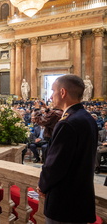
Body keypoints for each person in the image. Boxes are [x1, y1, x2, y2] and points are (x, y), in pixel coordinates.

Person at [37, 74, 98, 223]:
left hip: (64, 202)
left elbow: (55, 164)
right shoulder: (87, 118)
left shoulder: (67, 123)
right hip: (81, 198)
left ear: (63, 92)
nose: (51, 97)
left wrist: (43, 186)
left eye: (53, 91)